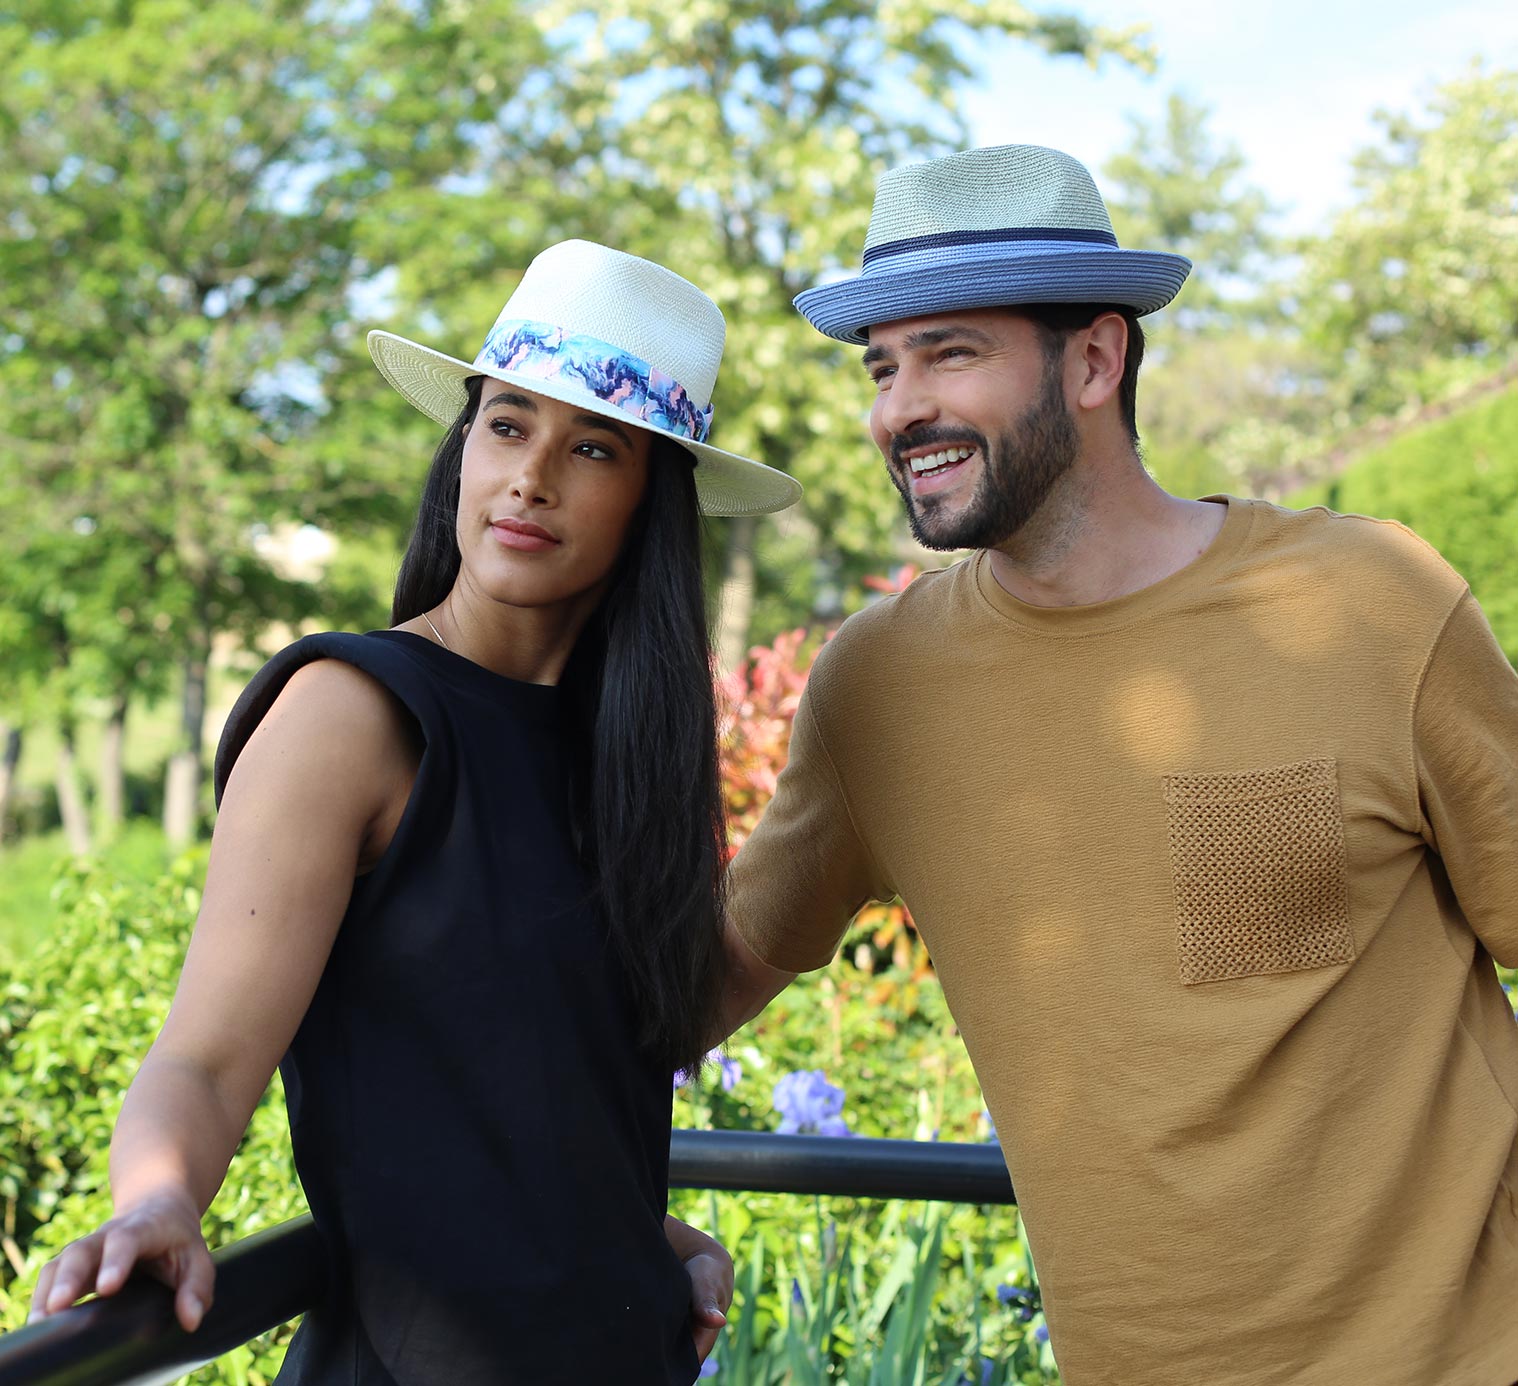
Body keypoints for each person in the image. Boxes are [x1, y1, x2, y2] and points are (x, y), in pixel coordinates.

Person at [717, 145, 1518, 1386]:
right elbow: (700, 979)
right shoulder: (877, 689)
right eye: (882, 367)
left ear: (1095, 360)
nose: (896, 409)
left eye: (949, 353)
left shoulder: (1371, 603)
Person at [27, 239, 799, 1384]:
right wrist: (157, 1203)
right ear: (462, 449)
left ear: (651, 501)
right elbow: (206, 1055)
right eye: (506, 425)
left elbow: (558, 1082)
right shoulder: (353, 714)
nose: (532, 477)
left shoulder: (628, 763)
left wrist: (629, 1241)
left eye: (593, 446)